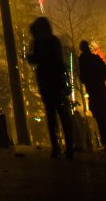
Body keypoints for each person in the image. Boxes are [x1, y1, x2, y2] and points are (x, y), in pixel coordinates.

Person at [26, 17, 74, 158]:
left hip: (46, 80)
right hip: (57, 79)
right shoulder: (54, 41)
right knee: (63, 113)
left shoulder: (38, 43)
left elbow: (34, 60)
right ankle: (69, 147)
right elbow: (60, 61)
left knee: (51, 115)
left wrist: (29, 57)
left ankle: (55, 148)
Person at [78, 41, 106, 150]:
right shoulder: (96, 58)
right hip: (101, 90)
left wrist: (89, 79)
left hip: (93, 91)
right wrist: (99, 79)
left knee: (99, 118)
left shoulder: (82, 60)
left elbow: (82, 78)